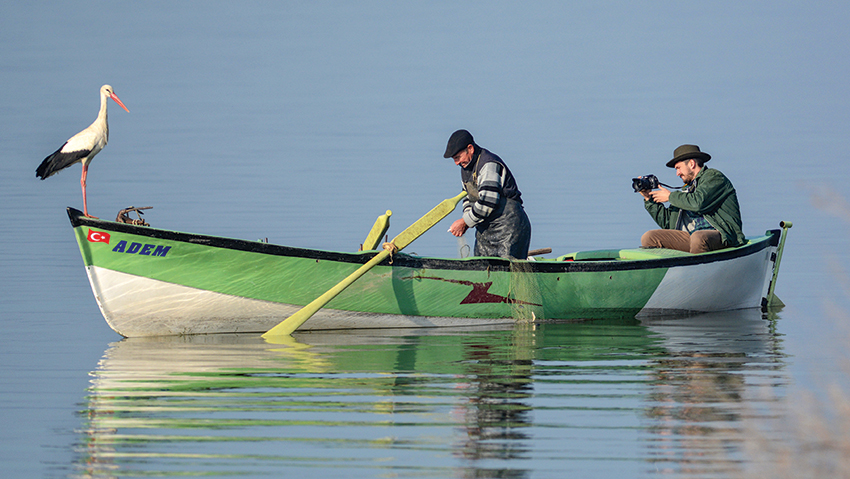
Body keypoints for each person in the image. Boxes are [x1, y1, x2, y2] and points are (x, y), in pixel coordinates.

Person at [639, 144, 745, 254]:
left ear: (691, 163)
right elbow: (669, 223)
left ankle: (697, 269)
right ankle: (669, 269)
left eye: (678, 168)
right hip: (692, 238)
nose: (677, 173)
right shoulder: (687, 190)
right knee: (649, 237)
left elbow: (698, 203)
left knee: (698, 237)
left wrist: (670, 197)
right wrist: (649, 199)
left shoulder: (714, 177)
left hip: (723, 235)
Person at [444, 129, 531, 259]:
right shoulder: (465, 168)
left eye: (458, 157)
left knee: (507, 269)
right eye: (454, 159)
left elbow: (488, 202)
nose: (456, 163)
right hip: (485, 229)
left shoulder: (488, 164)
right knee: (482, 267)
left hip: (509, 227)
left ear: (470, 149)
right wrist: (467, 218)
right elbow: (468, 197)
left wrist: (465, 222)